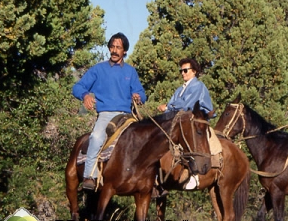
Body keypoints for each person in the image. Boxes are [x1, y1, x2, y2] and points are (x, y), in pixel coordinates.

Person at [72, 32, 146, 190]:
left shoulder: (130, 72)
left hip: (127, 116)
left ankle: (152, 182)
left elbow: (142, 93)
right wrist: (85, 96)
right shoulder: (98, 69)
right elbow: (77, 87)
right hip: (106, 115)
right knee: (96, 136)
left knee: (147, 140)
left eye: (118, 47)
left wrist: (138, 96)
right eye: (112, 47)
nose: (114, 50)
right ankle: (90, 176)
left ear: (124, 51)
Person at [157, 58, 214, 190]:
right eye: (181, 71)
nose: (183, 73)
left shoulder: (198, 86)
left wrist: (167, 107)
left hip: (195, 119)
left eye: (185, 70)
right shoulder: (180, 89)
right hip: (182, 119)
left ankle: (195, 175)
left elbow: (187, 104)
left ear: (194, 71)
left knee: (191, 142)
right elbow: (175, 106)